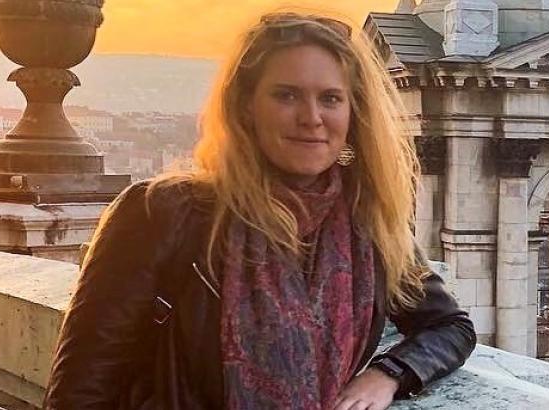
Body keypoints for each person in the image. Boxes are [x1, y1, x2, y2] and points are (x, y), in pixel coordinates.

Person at [44, 12, 476, 410]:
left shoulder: (369, 226)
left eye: (330, 98)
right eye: (286, 95)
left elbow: (451, 326)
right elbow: (81, 388)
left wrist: (389, 373)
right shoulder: (164, 214)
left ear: (353, 113)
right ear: (246, 107)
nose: (311, 117)